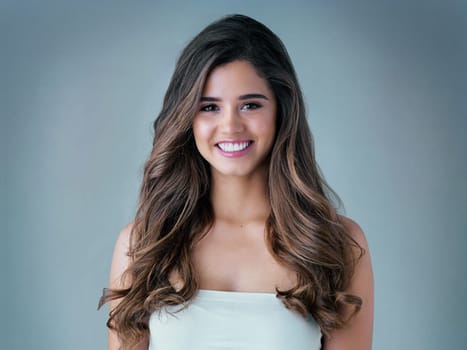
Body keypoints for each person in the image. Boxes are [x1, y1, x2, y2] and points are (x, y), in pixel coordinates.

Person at [98, 14, 374, 350]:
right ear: (187, 119)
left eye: (250, 105)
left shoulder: (338, 244)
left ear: (281, 112)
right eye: (210, 107)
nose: (230, 126)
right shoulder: (143, 244)